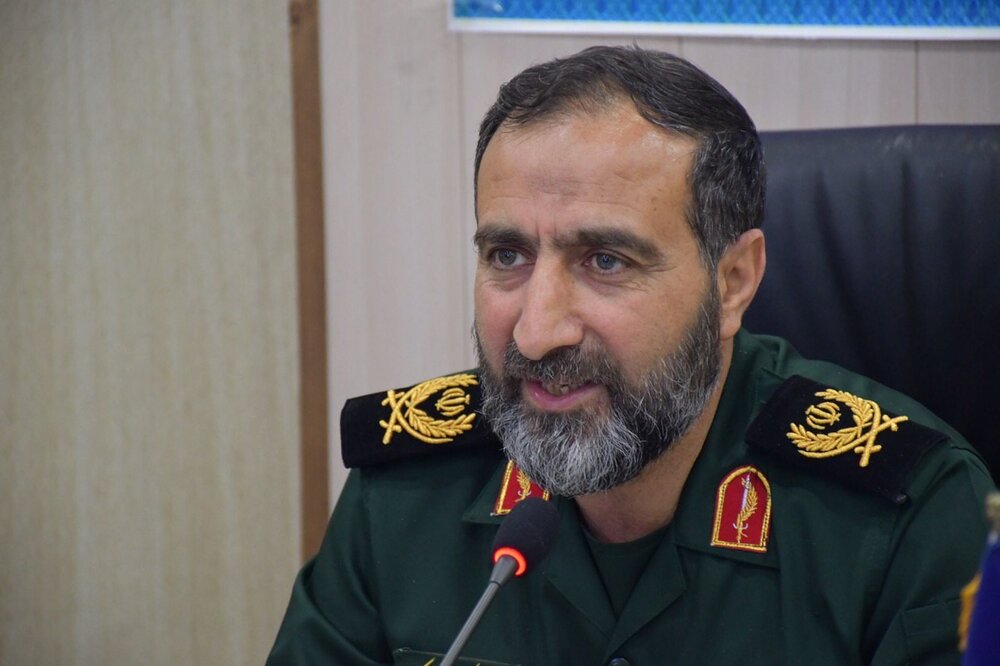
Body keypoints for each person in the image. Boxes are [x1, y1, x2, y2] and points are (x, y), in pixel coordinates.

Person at [267, 46, 994, 665]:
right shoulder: (404, 497)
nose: (535, 334)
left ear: (733, 282)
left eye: (606, 261)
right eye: (508, 255)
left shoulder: (909, 517)